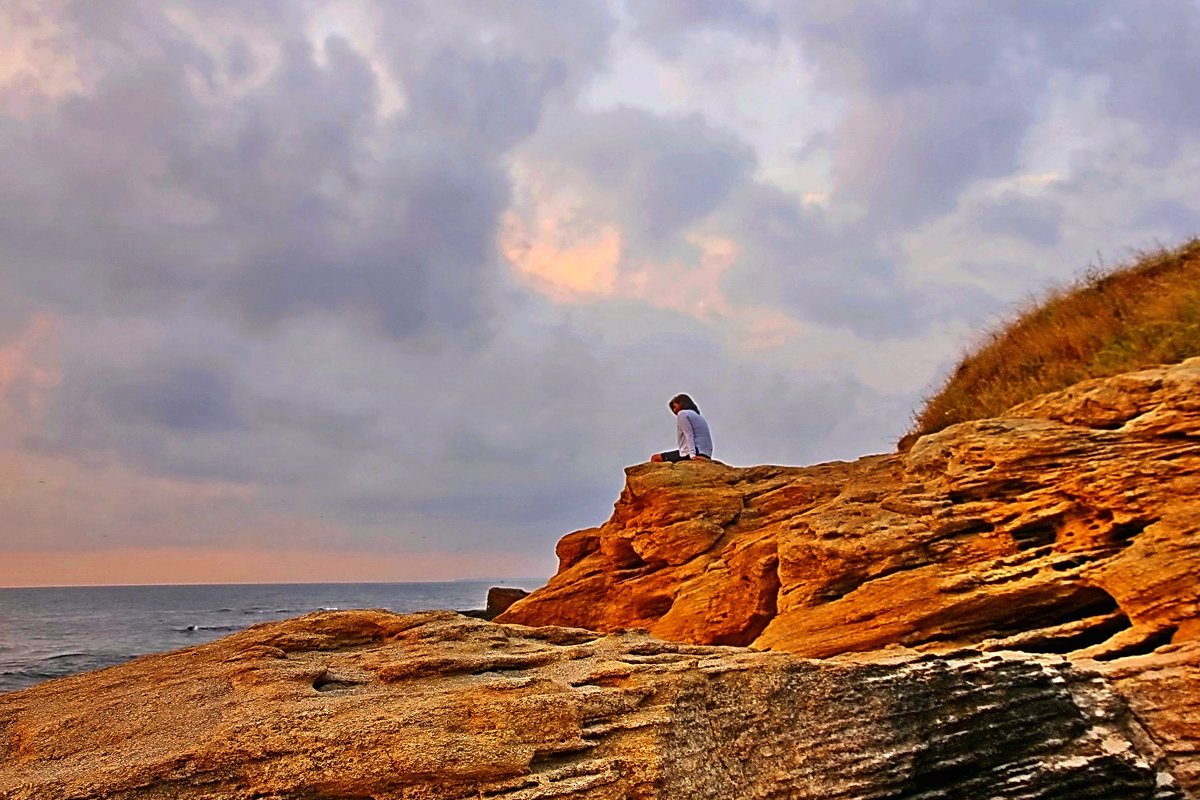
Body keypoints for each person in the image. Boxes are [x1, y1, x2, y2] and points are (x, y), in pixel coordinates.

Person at [650, 393, 713, 462]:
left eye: (675, 406)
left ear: (681, 403)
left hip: (695, 451)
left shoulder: (682, 414)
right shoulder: (698, 416)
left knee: (655, 458)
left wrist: (692, 455)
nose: (674, 411)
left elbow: (688, 434)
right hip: (705, 453)